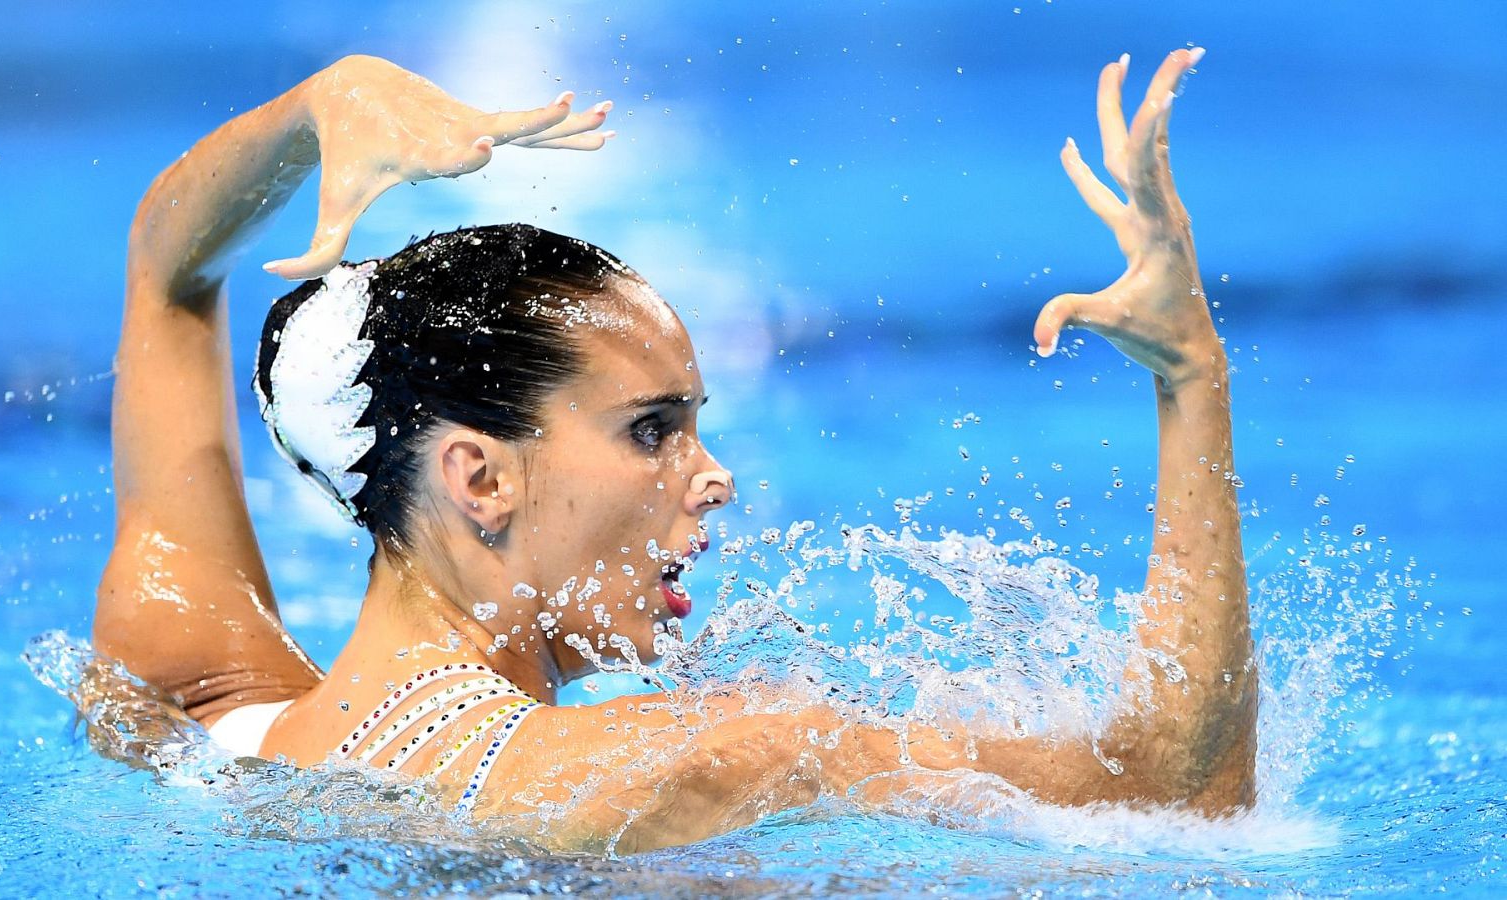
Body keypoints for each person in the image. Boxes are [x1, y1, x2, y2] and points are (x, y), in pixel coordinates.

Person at [93, 50, 1255, 853]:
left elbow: (164, 267)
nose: (714, 477)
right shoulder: (684, 764)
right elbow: (1179, 796)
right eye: (652, 429)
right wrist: (1189, 377)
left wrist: (321, 104)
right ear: (479, 477)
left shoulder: (202, 707)